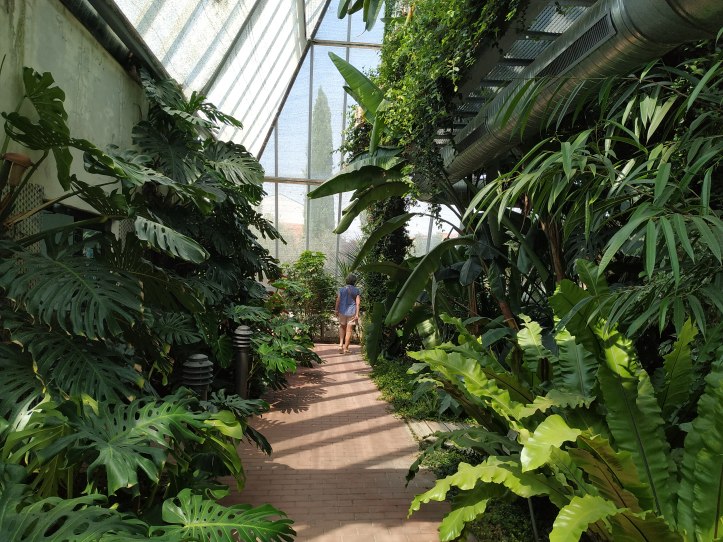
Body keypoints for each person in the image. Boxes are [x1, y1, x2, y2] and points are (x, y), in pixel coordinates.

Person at [335, 273, 360, 354]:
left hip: (342, 311)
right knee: (349, 331)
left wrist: (336, 310)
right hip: (352, 312)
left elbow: (338, 300)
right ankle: (346, 348)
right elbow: (358, 303)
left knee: (342, 327)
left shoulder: (341, 289)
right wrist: (357, 314)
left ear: (347, 281)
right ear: (354, 281)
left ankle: (340, 344)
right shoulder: (356, 290)